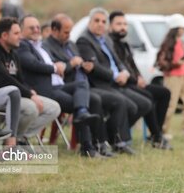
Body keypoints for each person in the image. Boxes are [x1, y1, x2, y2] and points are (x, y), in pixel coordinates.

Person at [43, 13, 128, 156]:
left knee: (97, 99)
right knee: (93, 100)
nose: (69, 35)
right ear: (54, 30)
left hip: (82, 85)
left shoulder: (70, 44)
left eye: (70, 31)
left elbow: (80, 63)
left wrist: (84, 65)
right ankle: (90, 146)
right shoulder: (46, 47)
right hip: (65, 87)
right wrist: (71, 64)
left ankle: (100, 144)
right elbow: (55, 71)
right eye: (65, 32)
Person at [16, 15, 101, 157]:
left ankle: (82, 117)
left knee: (82, 86)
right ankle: (87, 147)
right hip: (44, 90)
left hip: (58, 85)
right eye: (32, 28)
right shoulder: (23, 45)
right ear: (21, 30)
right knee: (84, 102)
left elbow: (51, 64)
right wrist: (56, 68)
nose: (37, 30)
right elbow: (33, 64)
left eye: (38, 26)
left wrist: (60, 67)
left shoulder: (38, 46)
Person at [77, 7, 152, 154]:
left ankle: (113, 136)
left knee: (144, 104)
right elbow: (94, 67)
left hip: (115, 83)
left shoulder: (105, 39)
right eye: (96, 20)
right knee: (125, 104)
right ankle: (118, 141)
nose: (100, 24)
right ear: (89, 22)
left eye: (103, 21)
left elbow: (118, 61)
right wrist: (114, 75)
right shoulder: (84, 40)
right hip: (98, 84)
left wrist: (124, 72)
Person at [108, 11, 172, 149]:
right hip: (123, 85)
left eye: (125, 24)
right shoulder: (109, 44)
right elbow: (118, 69)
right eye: (118, 24)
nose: (123, 27)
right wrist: (135, 80)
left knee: (164, 92)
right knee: (147, 96)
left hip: (135, 82)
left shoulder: (124, 44)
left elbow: (132, 65)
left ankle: (156, 133)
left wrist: (140, 77)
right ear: (110, 26)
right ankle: (157, 136)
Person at [0, 17, 60, 142]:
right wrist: (29, 94)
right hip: (0, 96)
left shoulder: (13, 54)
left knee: (54, 107)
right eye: (16, 33)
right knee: (30, 107)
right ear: (4, 35)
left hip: (16, 95)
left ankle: (20, 138)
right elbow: (5, 80)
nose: (20, 37)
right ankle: (10, 142)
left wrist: (30, 90)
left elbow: (20, 80)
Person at [156, 13, 184, 140]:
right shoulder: (167, 44)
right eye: (182, 27)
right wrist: (176, 64)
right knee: (170, 105)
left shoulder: (182, 43)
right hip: (172, 77)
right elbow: (162, 62)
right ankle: (163, 131)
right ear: (177, 28)